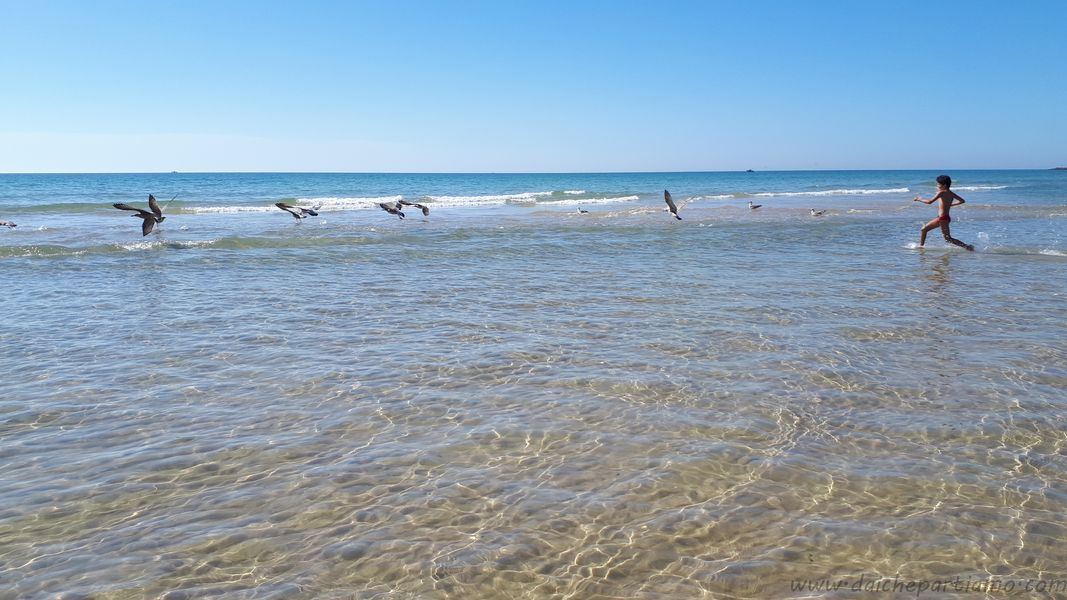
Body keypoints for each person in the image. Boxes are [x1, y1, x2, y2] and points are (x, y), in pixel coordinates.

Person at [913, 175, 974, 251]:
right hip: (945, 218)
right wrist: (950, 204)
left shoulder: (941, 193)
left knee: (947, 238)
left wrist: (919, 199)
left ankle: (967, 247)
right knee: (925, 229)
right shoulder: (951, 193)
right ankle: (921, 246)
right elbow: (962, 201)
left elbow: (929, 202)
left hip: (942, 218)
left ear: (944, 185)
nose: (937, 185)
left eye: (938, 184)